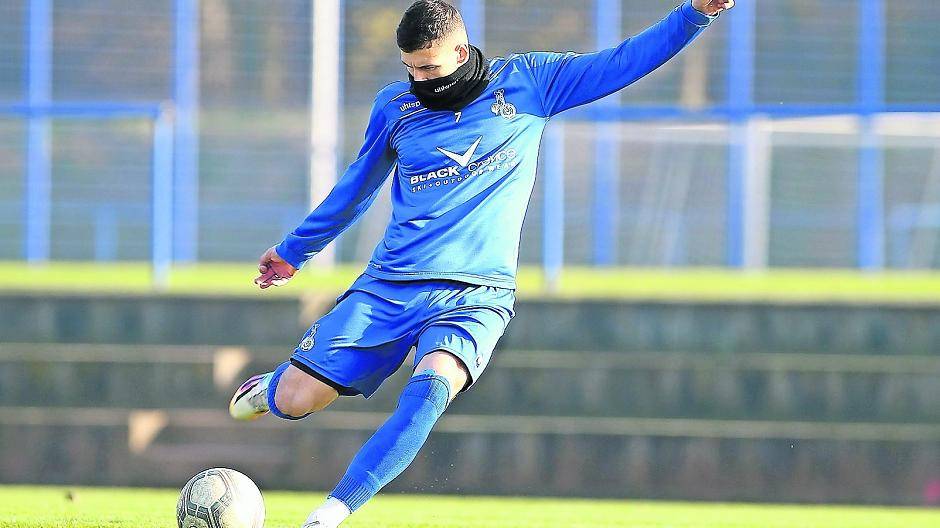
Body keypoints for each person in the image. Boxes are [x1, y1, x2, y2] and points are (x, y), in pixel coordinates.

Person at [229, 1, 733, 526]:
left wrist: (694, 14)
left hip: (478, 295)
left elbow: (623, 61)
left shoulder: (531, 82)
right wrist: (294, 251)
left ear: (462, 51)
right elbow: (357, 187)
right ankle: (270, 388)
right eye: (410, 69)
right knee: (297, 399)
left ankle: (332, 512)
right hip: (391, 285)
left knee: (433, 386)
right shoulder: (395, 107)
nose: (419, 79)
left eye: (430, 68)